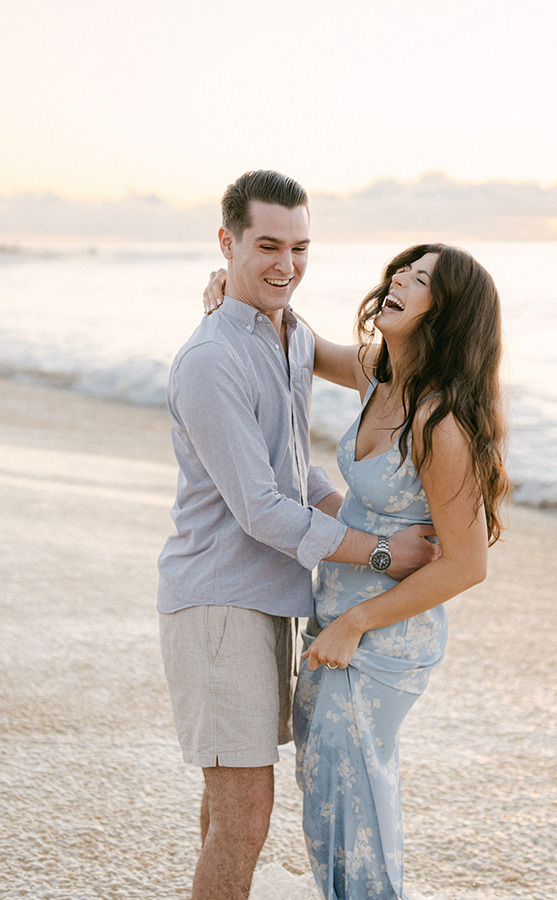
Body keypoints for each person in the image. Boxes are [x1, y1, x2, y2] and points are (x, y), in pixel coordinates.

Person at [157, 170, 440, 900]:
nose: (287, 265)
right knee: (245, 819)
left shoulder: (288, 336)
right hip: (218, 603)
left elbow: (296, 465)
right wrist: (385, 551)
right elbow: (261, 510)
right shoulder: (211, 359)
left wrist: (354, 506)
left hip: (263, 598)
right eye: (267, 246)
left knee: (230, 811)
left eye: (301, 247)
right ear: (228, 243)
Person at [203, 243, 509, 899]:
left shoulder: (439, 422)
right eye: (403, 268)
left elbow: (467, 563)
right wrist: (239, 298)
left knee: (354, 817)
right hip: (336, 628)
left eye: (421, 278)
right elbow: (297, 343)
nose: (399, 277)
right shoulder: (379, 375)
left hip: (380, 642)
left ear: (446, 312)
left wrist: (356, 624)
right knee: (330, 806)